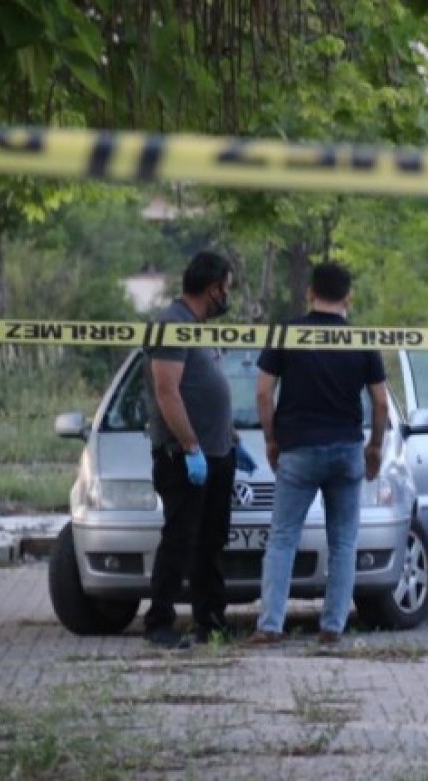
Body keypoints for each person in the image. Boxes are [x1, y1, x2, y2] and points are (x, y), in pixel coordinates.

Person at [248, 262, 388, 646]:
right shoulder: (362, 340)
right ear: (349, 298)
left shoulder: (286, 333)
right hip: (346, 450)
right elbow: (381, 403)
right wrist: (375, 447)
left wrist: (272, 439)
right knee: (343, 541)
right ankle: (332, 627)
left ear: (310, 293)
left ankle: (271, 625)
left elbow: (262, 393)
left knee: (282, 538)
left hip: (298, 449)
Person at [143, 250, 259, 650]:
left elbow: (205, 389)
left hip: (217, 452)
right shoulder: (171, 324)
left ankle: (210, 621)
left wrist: (230, 438)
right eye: (227, 288)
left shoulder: (199, 327)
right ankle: (159, 623)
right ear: (213, 289)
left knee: (211, 542)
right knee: (180, 540)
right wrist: (190, 445)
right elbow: (166, 390)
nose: (227, 296)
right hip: (185, 456)